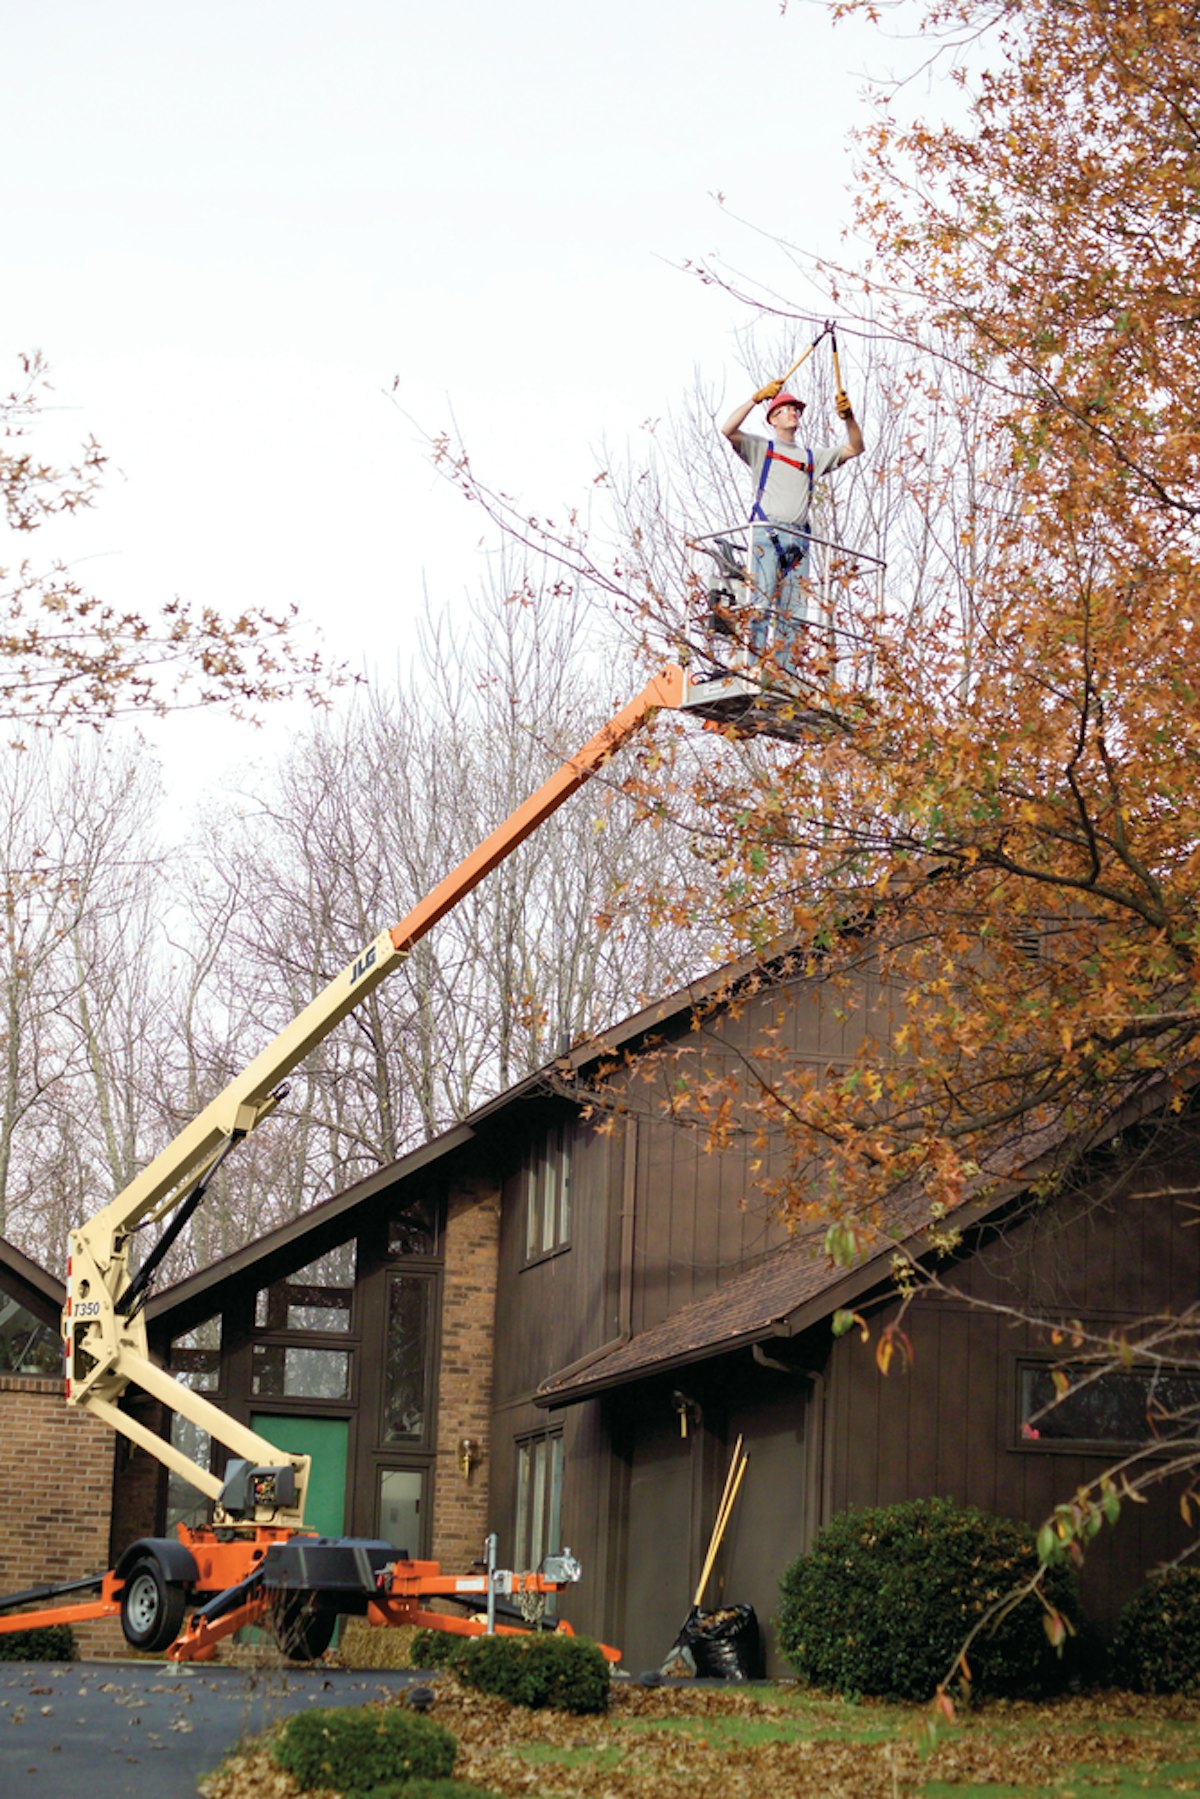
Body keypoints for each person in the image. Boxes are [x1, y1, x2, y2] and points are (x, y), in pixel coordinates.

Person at [720, 376, 864, 667]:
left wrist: (849, 418)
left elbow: (855, 447)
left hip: (799, 541)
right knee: (758, 607)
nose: (794, 413)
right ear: (773, 417)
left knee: (794, 613)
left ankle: (784, 676)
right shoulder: (762, 449)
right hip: (766, 535)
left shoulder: (812, 457)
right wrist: (755, 398)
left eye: (797, 409)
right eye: (787, 409)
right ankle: (751, 669)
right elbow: (728, 429)